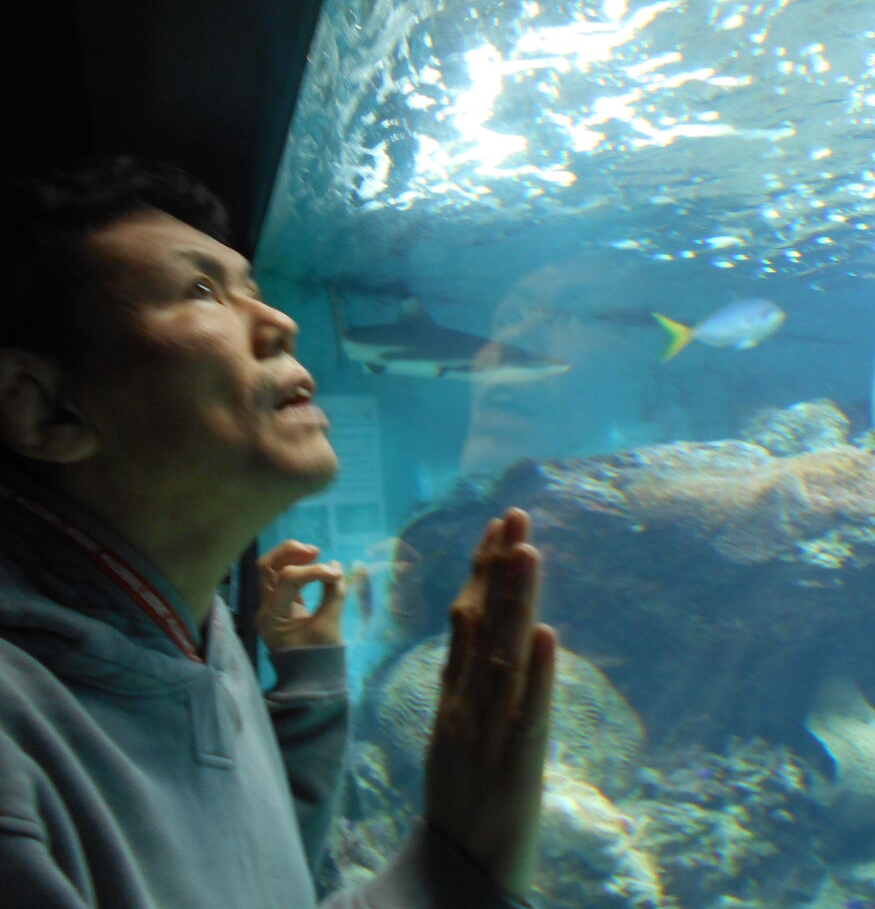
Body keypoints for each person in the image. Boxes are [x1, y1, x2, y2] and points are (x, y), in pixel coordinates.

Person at [0, 156, 557, 908]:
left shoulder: (196, 633)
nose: (281, 323)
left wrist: (310, 691)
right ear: (42, 409)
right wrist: (460, 868)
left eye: (254, 292)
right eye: (201, 291)